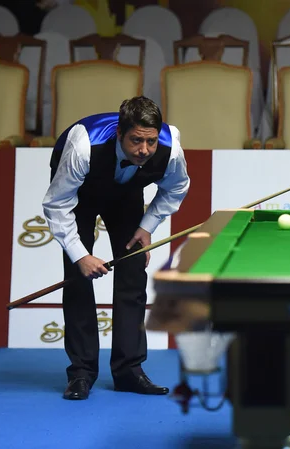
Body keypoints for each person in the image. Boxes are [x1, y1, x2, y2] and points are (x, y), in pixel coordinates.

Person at [42, 96, 190, 400]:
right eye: (136, 141)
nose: (145, 150)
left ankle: (129, 371)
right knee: (78, 278)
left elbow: (176, 187)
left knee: (133, 274)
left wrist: (147, 226)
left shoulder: (169, 147)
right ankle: (81, 373)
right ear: (119, 134)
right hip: (79, 196)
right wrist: (81, 255)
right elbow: (57, 205)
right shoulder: (84, 146)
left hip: (127, 194)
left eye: (150, 142)